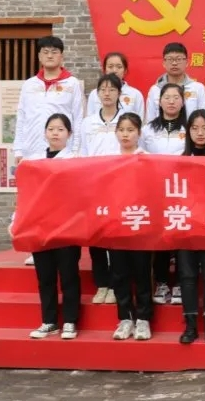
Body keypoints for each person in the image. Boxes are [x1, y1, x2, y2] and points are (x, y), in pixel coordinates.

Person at [13, 36, 84, 267]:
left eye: (54, 51)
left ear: (62, 56)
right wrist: (19, 149)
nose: (50, 55)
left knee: (59, 202)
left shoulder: (72, 84)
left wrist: (76, 150)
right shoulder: (29, 84)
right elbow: (22, 117)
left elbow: (78, 118)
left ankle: (60, 244)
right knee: (35, 202)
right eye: (45, 52)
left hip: (62, 153)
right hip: (33, 151)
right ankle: (37, 248)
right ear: (39, 56)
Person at [14, 114, 81, 340]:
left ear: (69, 134)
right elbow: (25, 195)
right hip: (40, 228)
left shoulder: (76, 161)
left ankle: (70, 321)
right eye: (51, 129)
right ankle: (49, 321)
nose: (55, 133)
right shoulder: (34, 162)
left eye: (60, 129)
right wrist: (16, 220)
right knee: (45, 276)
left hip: (66, 228)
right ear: (45, 133)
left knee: (69, 275)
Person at [176, 110, 205, 345]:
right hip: (186, 225)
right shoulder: (180, 160)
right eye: (195, 128)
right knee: (187, 275)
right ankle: (191, 325)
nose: (200, 133)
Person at [141, 83, 188, 306]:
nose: (171, 101)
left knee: (181, 234)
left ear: (183, 101)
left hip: (183, 189)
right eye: (167, 97)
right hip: (156, 189)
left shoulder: (190, 127)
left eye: (176, 97)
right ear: (159, 102)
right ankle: (161, 281)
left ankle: (179, 281)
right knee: (160, 236)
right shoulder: (148, 129)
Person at [80, 73, 124, 305]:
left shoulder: (126, 120)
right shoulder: (88, 123)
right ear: (97, 94)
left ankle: (116, 284)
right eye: (103, 89)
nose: (107, 94)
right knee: (96, 237)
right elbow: (82, 153)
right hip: (94, 185)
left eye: (112, 89)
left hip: (119, 186)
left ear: (119, 93)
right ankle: (102, 284)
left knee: (116, 237)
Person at [109, 112, 153, 341]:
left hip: (140, 223)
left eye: (130, 130)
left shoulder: (147, 159)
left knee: (142, 272)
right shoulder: (107, 160)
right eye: (121, 130)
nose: (125, 134)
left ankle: (144, 319)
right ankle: (125, 318)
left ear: (139, 133)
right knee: (119, 273)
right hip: (116, 225)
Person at [145, 42, 205, 122]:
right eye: (170, 59)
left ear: (186, 62)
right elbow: (150, 121)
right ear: (164, 63)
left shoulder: (198, 88)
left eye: (179, 59)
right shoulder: (155, 90)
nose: (174, 63)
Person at [86, 51, 146, 120]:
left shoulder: (135, 94)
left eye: (119, 67)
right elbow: (90, 119)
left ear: (125, 70)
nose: (114, 70)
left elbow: (140, 121)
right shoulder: (94, 94)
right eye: (110, 67)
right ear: (105, 70)